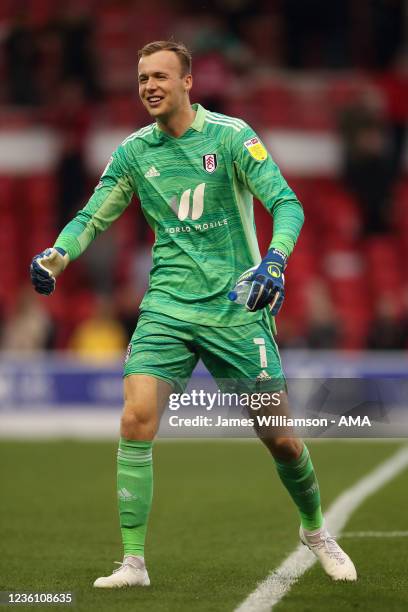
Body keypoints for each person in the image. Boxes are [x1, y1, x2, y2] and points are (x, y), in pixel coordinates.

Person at [30, 40, 356, 587]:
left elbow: (286, 202)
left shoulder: (231, 137)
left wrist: (274, 262)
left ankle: (315, 531)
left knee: (280, 438)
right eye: (141, 80)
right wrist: (57, 255)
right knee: (135, 419)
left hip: (236, 308)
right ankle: (133, 562)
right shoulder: (135, 152)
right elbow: (92, 214)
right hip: (167, 307)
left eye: (160, 76)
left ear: (187, 82)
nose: (149, 87)